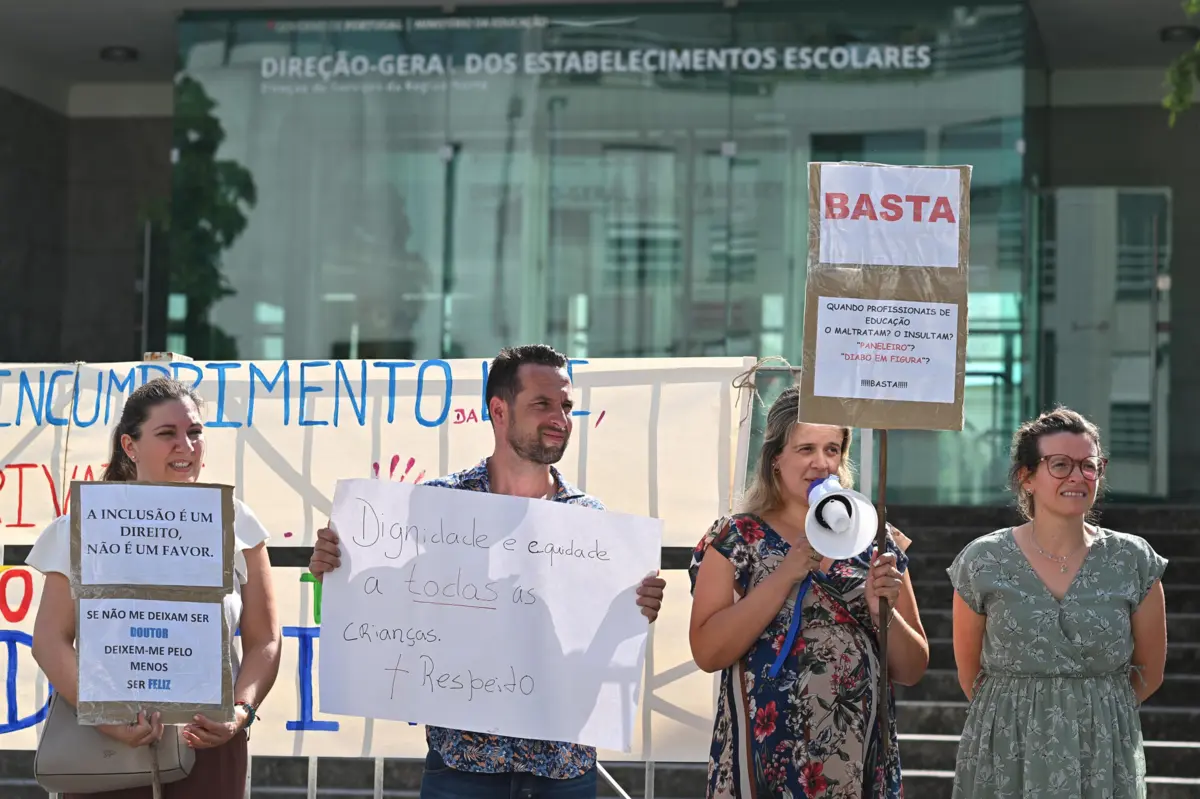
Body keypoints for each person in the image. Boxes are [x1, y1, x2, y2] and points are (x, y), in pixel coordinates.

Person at [307, 344, 667, 799]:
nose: (560, 418)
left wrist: (633, 612)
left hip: (564, 767)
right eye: (543, 404)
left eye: (566, 406)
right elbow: (383, 603)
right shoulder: (438, 504)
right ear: (499, 410)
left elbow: (596, 645)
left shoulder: (592, 521)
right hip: (462, 766)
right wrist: (334, 574)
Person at [28, 378, 282, 798]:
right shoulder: (83, 524)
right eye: (168, 434)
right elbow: (50, 639)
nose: (186, 445)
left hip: (208, 748)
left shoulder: (237, 523)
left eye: (195, 432)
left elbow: (266, 639)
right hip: (106, 752)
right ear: (130, 446)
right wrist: (109, 719)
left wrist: (239, 712)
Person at [688, 385, 928, 799]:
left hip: (856, 762)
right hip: (768, 758)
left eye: (832, 449)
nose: (822, 464)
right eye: (806, 450)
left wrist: (882, 613)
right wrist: (785, 574)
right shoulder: (736, 537)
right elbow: (708, 651)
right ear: (775, 459)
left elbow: (912, 669)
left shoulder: (874, 540)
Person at [948, 407, 1167, 798]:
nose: (1077, 477)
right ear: (1026, 477)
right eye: (1061, 465)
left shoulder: (1132, 560)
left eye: (1089, 465)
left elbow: (1150, 672)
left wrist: (1094, 710)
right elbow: (970, 677)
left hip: (1103, 753)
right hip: (1006, 751)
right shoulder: (983, 560)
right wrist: (1023, 714)